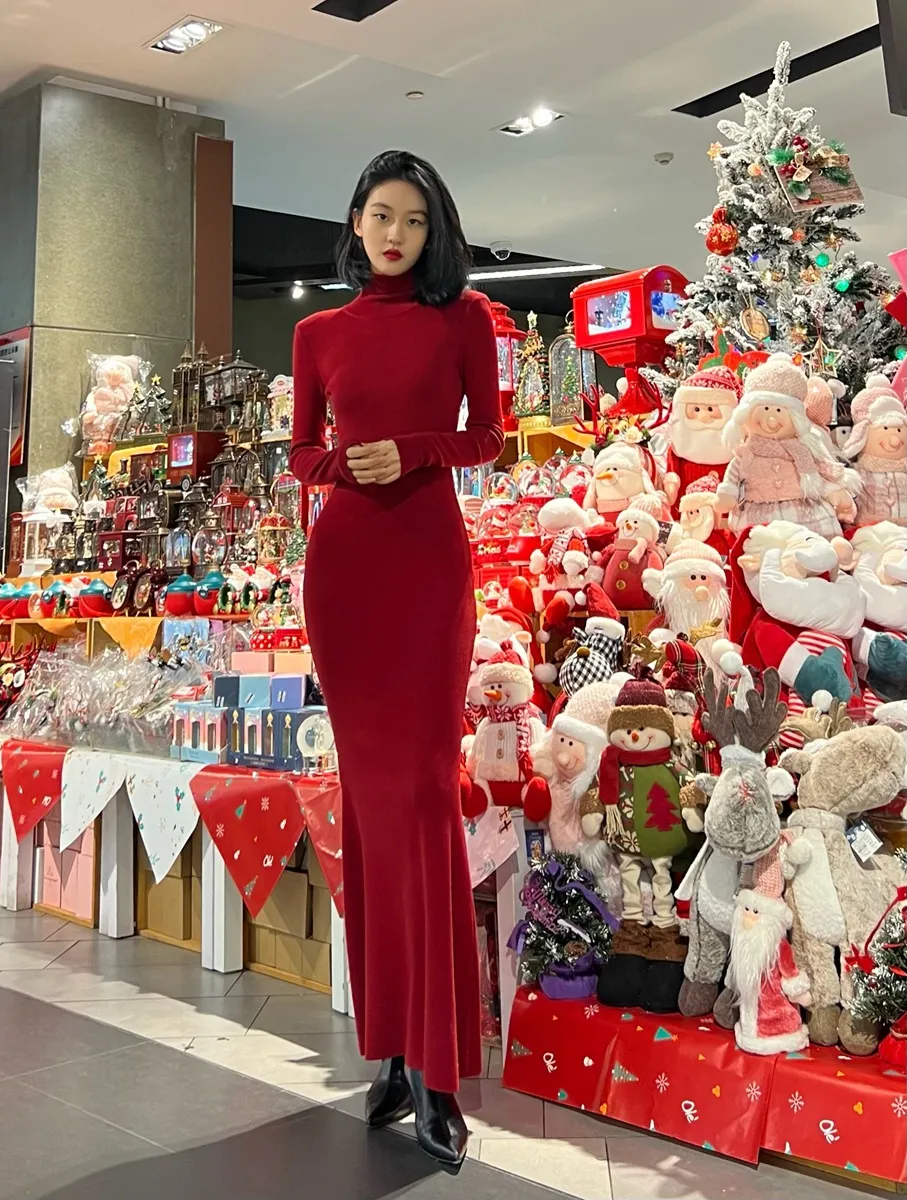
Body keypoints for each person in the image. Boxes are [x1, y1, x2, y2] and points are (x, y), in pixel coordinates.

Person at [290, 150, 504, 1174]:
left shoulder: (463, 320)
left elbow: (488, 438)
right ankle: (386, 1050)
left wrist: (416, 449)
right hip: (344, 574)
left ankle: (439, 1067)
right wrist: (342, 462)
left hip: (426, 570)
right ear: (355, 219)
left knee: (421, 800)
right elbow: (300, 454)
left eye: (413, 222)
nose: (394, 234)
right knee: (370, 813)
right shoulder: (317, 334)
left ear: (433, 233)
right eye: (381, 215)